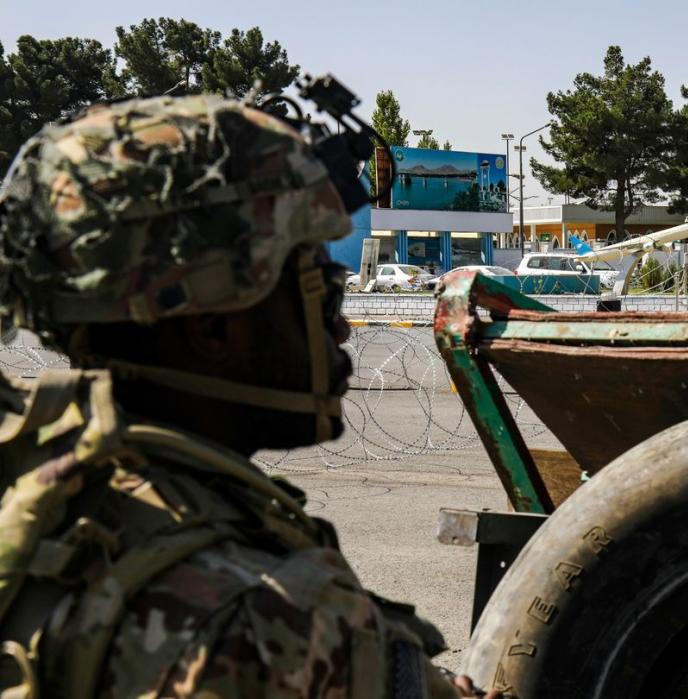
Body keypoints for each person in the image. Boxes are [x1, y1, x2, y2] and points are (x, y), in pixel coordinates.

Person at [0, 94, 497, 698]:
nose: (339, 330)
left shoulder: (41, 485)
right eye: (324, 296)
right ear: (214, 329)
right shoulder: (265, 625)